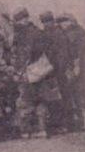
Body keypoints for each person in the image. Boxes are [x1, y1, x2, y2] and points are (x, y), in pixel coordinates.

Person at [12, 8, 62, 139]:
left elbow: (22, 55)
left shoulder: (21, 35)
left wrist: (19, 70)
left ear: (22, 20)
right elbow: (49, 50)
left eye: (18, 20)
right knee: (42, 100)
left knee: (26, 101)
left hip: (28, 72)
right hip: (42, 72)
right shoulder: (39, 32)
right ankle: (42, 129)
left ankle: (26, 131)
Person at [58, 13, 85, 130]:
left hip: (78, 68)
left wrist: (74, 67)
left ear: (68, 22)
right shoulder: (81, 32)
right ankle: (80, 122)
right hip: (81, 67)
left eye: (61, 23)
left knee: (77, 94)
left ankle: (80, 122)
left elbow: (74, 54)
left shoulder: (72, 34)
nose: (60, 25)